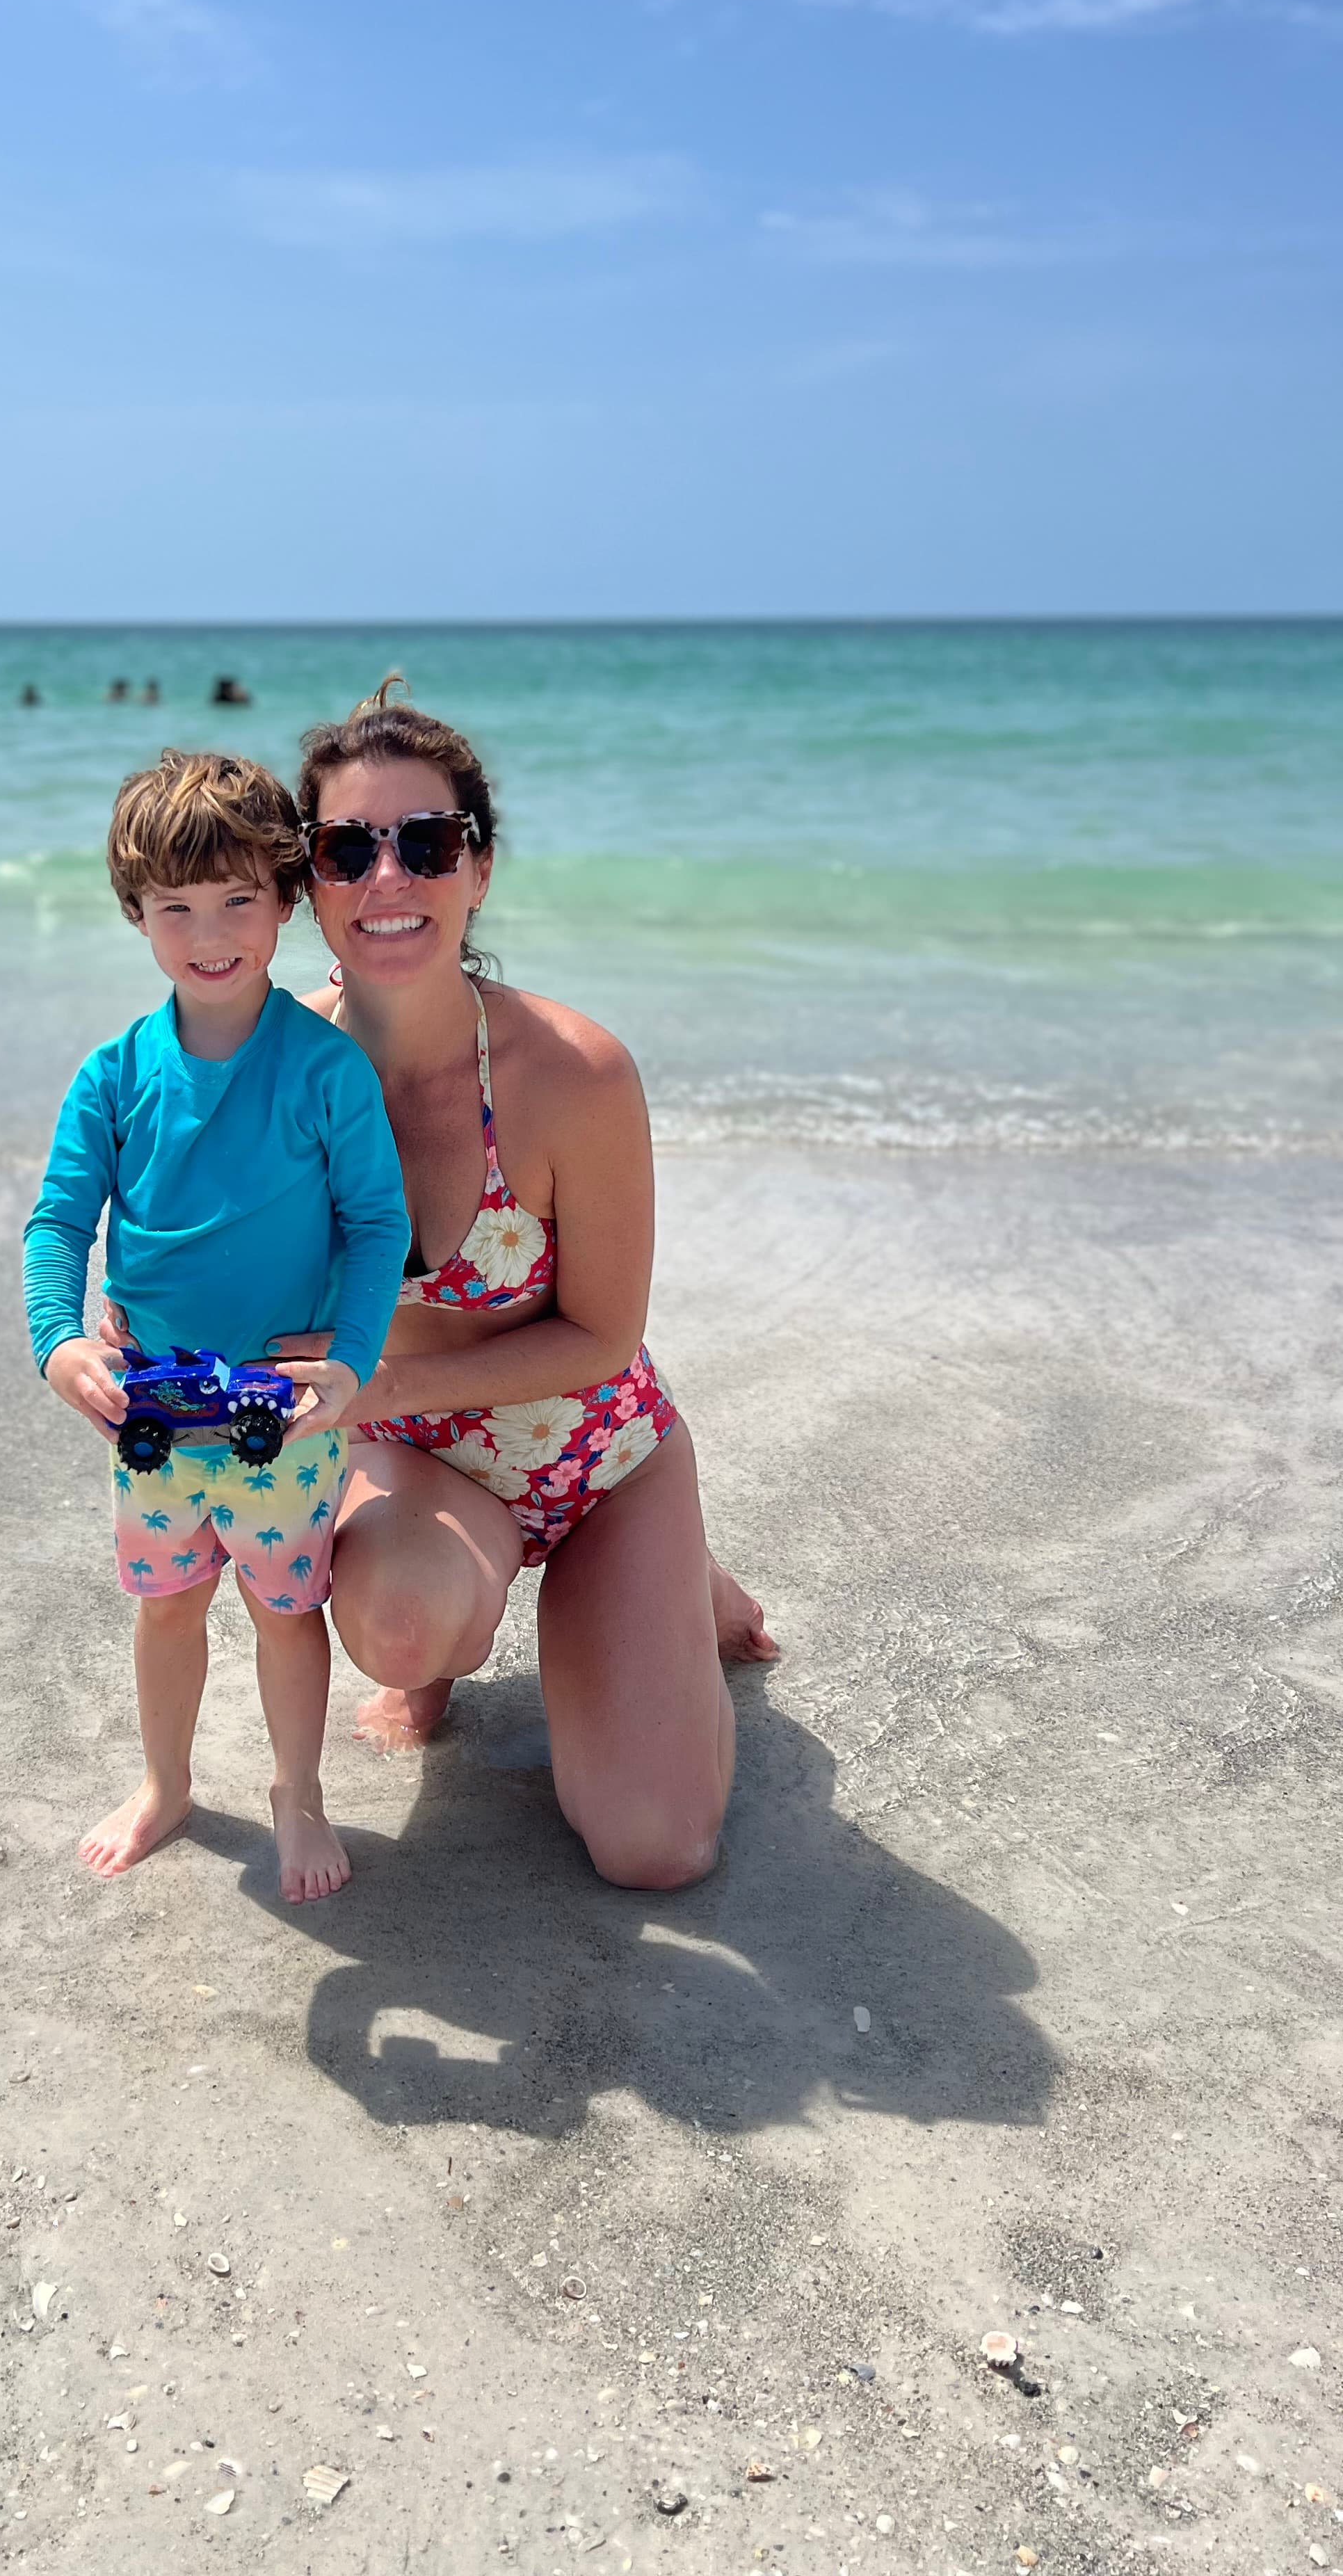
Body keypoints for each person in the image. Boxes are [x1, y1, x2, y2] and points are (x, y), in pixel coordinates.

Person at [290, 677, 773, 1891]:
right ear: (309, 881)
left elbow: (603, 1333)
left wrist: (381, 1384)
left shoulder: (571, 1073)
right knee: (400, 1628)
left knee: (656, 1850)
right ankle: (460, 1636)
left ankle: (675, 1580)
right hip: (417, 1463)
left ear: (479, 869)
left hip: (599, 1459)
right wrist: (124, 1323)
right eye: (348, 849)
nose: (388, 876)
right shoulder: (270, 1075)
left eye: (427, 843)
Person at [24, 750, 410, 1902]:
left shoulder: (326, 1070)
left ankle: (298, 1792)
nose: (210, 933)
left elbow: (376, 1224)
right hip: (149, 1410)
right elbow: (59, 1221)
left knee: (286, 1614)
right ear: (135, 914)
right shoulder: (112, 1076)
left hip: (284, 1418)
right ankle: (165, 1782)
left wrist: (350, 1360)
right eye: (176, 907)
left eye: (239, 899)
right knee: (166, 1605)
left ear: (286, 899)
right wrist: (59, 1342)